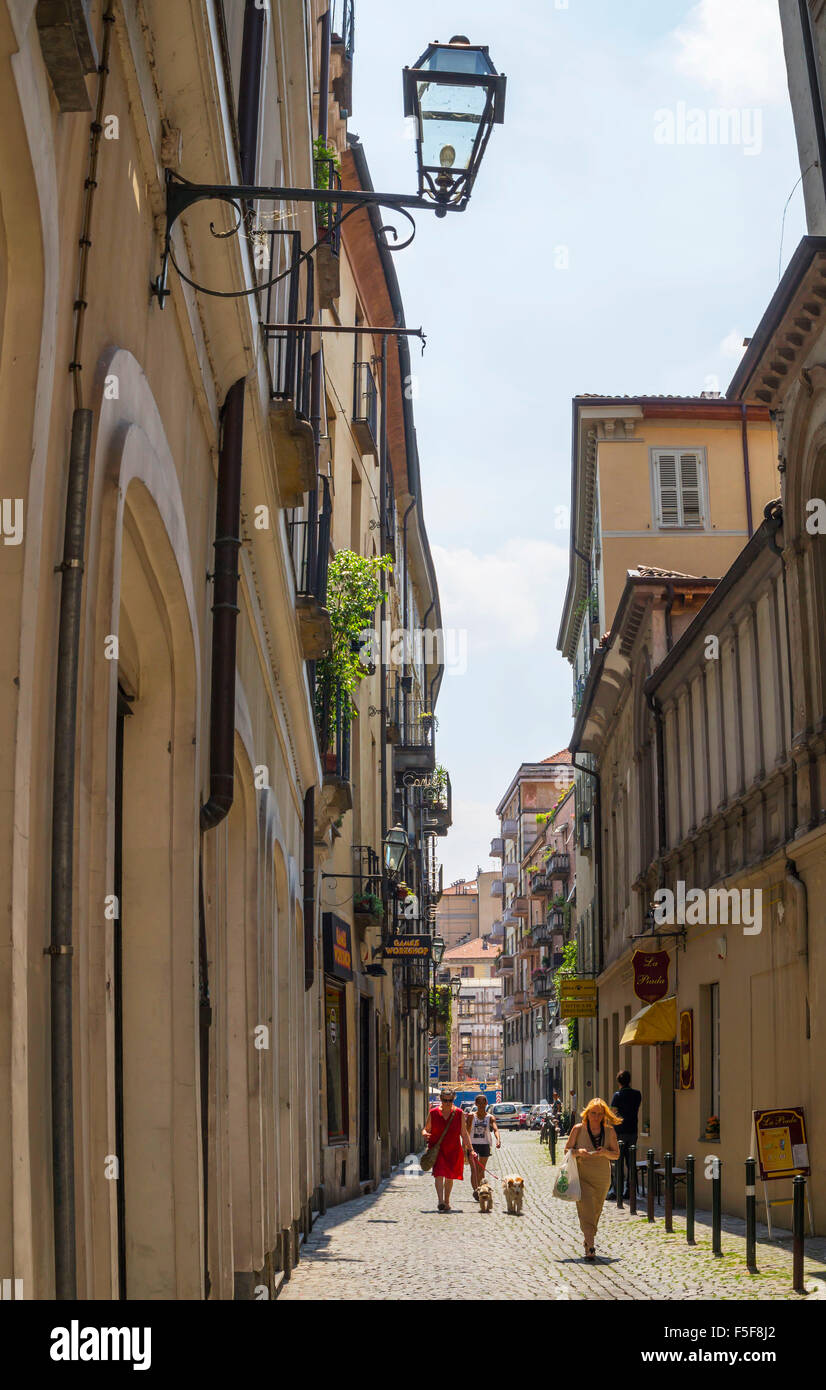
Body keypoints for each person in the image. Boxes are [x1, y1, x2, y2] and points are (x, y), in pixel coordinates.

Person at [564, 1097, 621, 1260]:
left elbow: (616, 1154)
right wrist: (577, 1152)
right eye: (593, 1113)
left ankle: (588, 1238)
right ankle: (590, 1246)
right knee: (586, 1208)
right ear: (587, 1113)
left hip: (602, 1177)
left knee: (595, 1210)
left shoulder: (609, 1131)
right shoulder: (578, 1129)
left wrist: (604, 1153)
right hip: (582, 1175)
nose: (596, 1117)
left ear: (604, 1115)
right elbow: (566, 1150)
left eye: (600, 1114)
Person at [422, 1087, 474, 1212]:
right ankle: (440, 1201)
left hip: (453, 1150)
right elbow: (426, 1129)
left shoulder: (459, 1113)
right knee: (439, 1174)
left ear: (453, 1100)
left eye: (450, 1100)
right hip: (437, 1149)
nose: (447, 1103)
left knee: (449, 1176)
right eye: (445, 1100)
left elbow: (464, 1133)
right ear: (440, 1099)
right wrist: (424, 1133)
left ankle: (447, 1200)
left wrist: (471, 1149)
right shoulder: (434, 1113)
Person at [607, 1070, 643, 1199]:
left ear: (618, 1082)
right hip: (633, 1130)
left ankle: (617, 1191)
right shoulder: (637, 1094)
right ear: (629, 1080)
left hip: (619, 1131)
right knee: (631, 1161)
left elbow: (612, 1113)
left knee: (618, 1161)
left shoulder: (617, 1095)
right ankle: (630, 1190)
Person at [468, 1093, 501, 1199]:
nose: (481, 1104)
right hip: (472, 1144)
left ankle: (482, 1189)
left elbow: (495, 1129)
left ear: (487, 1103)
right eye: (479, 1102)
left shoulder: (490, 1117)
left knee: (481, 1169)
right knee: (474, 1169)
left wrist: (498, 1140)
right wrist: (465, 1146)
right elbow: (466, 1131)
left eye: (483, 1102)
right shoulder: (471, 1116)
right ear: (476, 1103)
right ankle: (476, 1191)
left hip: (485, 1144)